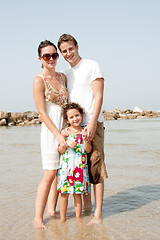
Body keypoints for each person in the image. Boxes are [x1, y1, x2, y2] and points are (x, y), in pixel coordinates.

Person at [57, 34, 108, 224]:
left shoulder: (92, 65)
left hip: (92, 124)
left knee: (95, 167)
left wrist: (93, 123)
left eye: (71, 49)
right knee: (80, 168)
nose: (68, 53)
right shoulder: (65, 74)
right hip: (73, 127)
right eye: (64, 51)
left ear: (77, 47)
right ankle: (86, 210)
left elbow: (99, 96)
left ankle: (98, 214)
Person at [33, 40, 68, 229]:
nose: (52, 59)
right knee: (49, 173)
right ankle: (38, 218)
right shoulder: (39, 80)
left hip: (64, 128)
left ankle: (52, 211)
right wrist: (57, 134)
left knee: (59, 173)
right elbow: (42, 112)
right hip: (50, 131)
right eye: (47, 56)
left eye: (54, 55)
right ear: (40, 58)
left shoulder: (63, 77)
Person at [57, 102, 92, 223]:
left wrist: (85, 138)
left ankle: (78, 219)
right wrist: (66, 143)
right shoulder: (65, 132)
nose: (75, 119)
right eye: (71, 117)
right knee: (64, 194)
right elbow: (60, 150)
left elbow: (88, 150)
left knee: (78, 193)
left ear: (81, 115)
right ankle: (62, 219)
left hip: (79, 167)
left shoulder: (85, 131)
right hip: (66, 167)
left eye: (77, 115)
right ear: (67, 119)